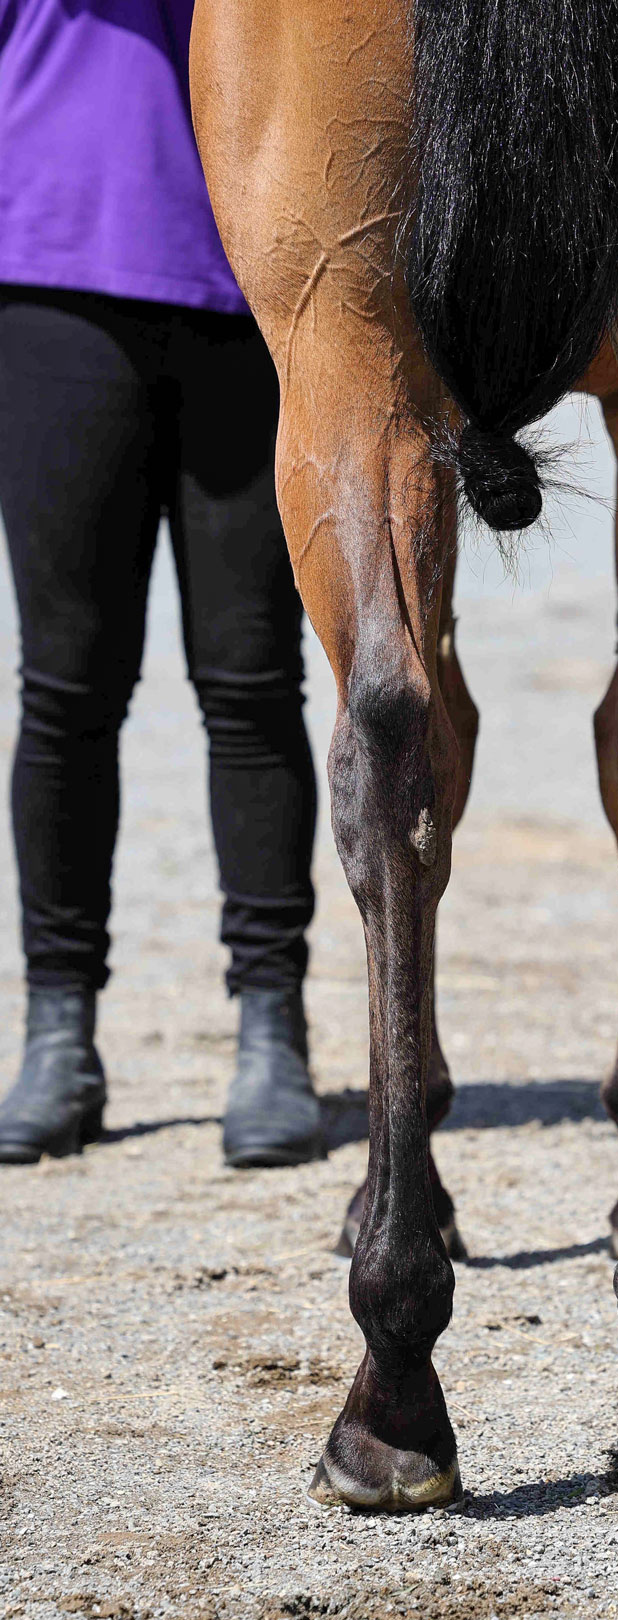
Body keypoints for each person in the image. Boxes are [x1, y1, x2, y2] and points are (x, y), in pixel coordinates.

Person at [0, 0, 323, 1168]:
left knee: (252, 681)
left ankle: (273, 1030)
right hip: (52, 267)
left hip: (258, 273)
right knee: (66, 686)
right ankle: (59, 1031)